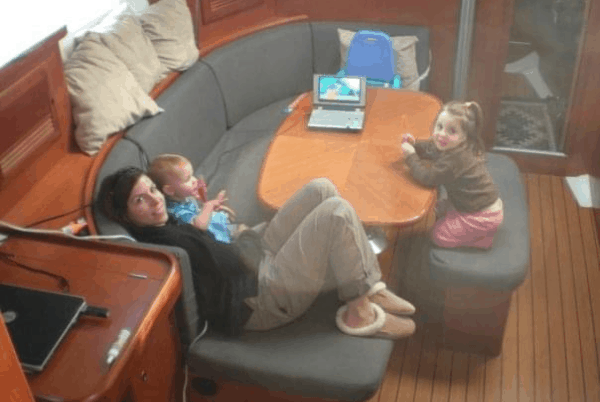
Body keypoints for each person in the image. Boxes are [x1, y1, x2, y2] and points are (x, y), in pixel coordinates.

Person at [97, 167, 417, 339]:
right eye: (140, 200)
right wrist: (246, 241)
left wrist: (245, 236)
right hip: (262, 297)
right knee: (336, 212)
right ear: (127, 216)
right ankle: (359, 313)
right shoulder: (162, 248)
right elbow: (220, 269)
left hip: (252, 261)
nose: (154, 200)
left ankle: (370, 287)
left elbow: (217, 251)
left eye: (152, 190)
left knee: (321, 187)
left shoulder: (168, 224)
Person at [400, 101, 504, 249]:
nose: (442, 134)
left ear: (464, 136)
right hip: (477, 203)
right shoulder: (454, 146)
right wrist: (415, 144)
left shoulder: (454, 160)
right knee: (439, 208)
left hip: (482, 216)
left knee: (438, 235)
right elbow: (432, 147)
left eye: (452, 131)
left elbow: (427, 177)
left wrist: (411, 156)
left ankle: (480, 239)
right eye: (439, 127)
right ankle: (462, 221)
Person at [148, 154, 244, 244]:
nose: (194, 180)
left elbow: (196, 209)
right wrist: (208, 207)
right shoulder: (176, 213)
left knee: (229, 221)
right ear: (169, 190)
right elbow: (198, 226)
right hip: (207, 236)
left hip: (209, 222)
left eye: (192, 175)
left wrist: (207, 205)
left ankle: (236, 231)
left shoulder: (182, 196)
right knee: (238, 230)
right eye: (188, 179)